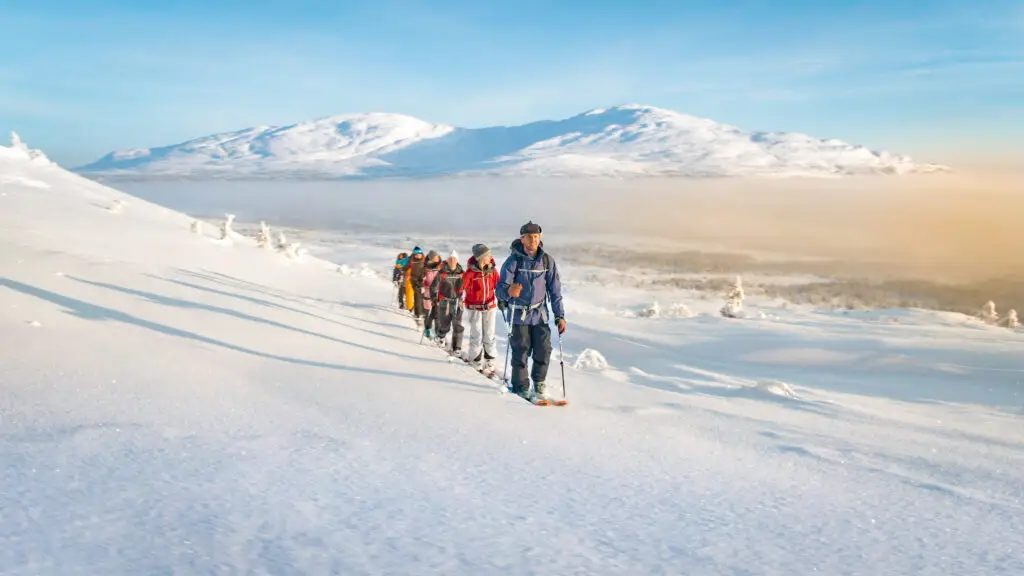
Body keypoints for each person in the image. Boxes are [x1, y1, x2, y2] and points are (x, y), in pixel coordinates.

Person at [496, 221, 566, 401]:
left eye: (536, 236)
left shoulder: (546, 260)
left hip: (540, 314)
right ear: (522, 238)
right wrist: (509, 292)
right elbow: (500, 289)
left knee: (544, 349)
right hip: (518, 315)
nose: (533, 240)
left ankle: (539, 383)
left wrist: (560, 315)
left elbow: (555, 290)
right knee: (521, 351)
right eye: (529, 237)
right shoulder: (513, 261)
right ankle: (520, 386)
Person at [461, 243, 500, 373]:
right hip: (474, 308)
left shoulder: (492, 271)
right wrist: (457, 297)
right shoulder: (471, 272)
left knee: (489, 334)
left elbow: (498, 286)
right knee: (476, 334)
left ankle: (489, 360)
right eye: (488, 255)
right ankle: (476, 359)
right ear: (481, 257)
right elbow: (460, 287)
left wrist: (504, 299)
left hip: (490, 307)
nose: (490, 257)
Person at [430, 250, 465, 355]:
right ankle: (441, 337)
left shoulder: (462, 273)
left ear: (457, 260)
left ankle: (457, 347)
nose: (452, 261)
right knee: (445, 323)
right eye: (450, 259)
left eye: (454, 259)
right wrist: (434, 297)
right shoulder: (442, 273)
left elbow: (468, 286)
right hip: (444, 301)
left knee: (457, 324)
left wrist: (465, 297)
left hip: (457, 302)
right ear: (447, 261)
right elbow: (434, 286)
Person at [421, 250, 442, 339]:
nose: (435, 259)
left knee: (437, 314)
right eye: (434, 257)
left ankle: (438, 332)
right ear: (430, 258)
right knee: (428, 313)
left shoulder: (441, 267)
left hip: (438, 294)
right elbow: (420, 278)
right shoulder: (425, 268)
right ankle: (427, 329)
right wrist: (423, 282)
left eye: (437, 257)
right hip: (428, 293)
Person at [403, 247, 427, 323]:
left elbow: (429, 269)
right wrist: (403, 272)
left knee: (422, 297)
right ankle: (417, 314)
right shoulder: (411, 260)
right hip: (413, 280)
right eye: (416, 254)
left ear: (421, 254)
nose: (417, 256)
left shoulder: (425, 260)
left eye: (419, 254)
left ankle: (423, 312)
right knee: (417, 298)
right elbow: (405, 268)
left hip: (422, 281)